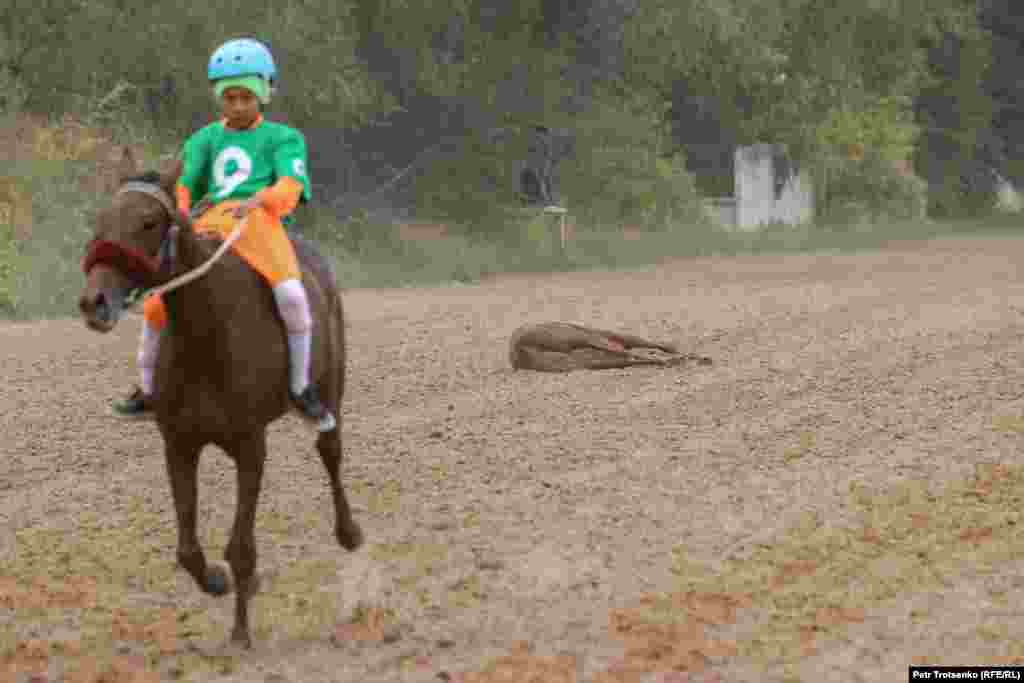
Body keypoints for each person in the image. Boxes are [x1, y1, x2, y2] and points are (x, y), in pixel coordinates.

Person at [113, 37, 332, 427]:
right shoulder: (204, 139)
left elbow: (290, 186)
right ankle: (147, 390)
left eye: (246, 97)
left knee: (293, 297)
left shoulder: (284, 138)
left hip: (260, 225)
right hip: (210, 224)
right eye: (229, 98)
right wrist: (180, 212)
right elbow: (186, 183)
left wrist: (264, 198)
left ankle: (300, 387)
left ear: (264, 93)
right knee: (155, 303)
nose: (238, 106)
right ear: (219, 98)